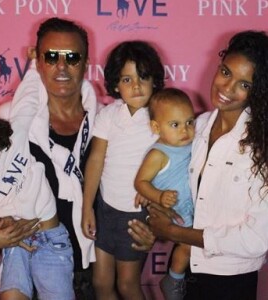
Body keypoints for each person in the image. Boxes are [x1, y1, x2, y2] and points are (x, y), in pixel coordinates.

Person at [129, 30, 268, 300]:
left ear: (258, 91)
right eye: (226, 73)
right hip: (186, 270)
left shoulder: (261, 148)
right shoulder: (197, 127)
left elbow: (257, 240)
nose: (227, 88)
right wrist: (154, 219)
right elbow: (175, 191)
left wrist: (175, 232)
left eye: (244, 84)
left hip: (230, 279)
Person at [0, 17, 98, 299]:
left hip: (94, 266)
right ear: (38, 61)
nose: (61, 67)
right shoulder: (9, 120)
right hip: (32, 263)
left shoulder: (106, 122)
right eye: (51, 57)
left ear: (86, 63)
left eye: (72, 58)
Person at [0, 94, 74, 300]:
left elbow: (29, 94)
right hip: (15, 248)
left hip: (51, 240)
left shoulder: (13, 143)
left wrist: (36, 62)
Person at [81, 40, 165, 300]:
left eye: (143, 77)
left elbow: (172, 160)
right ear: (116, 84)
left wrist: (152, 191)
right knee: (101, 284)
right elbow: (96, 160)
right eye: (127, 79)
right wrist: (87, 208)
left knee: (128, 285)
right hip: (105, 209)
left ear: (155, 80)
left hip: (137, 214)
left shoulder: (160, 116)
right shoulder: (108, 115)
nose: (136, 86)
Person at [134, 87, 195, 299]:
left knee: (191, 245)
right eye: (175, 125)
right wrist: (158, 196)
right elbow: (141, 182)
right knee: (188, 245)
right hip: (176, 209)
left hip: (193, 204)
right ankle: (173, 280)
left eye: (190, 122)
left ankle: (175, 278)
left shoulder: (192, 143)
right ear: (156, 127)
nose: (185, 130)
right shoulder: (158, 154)